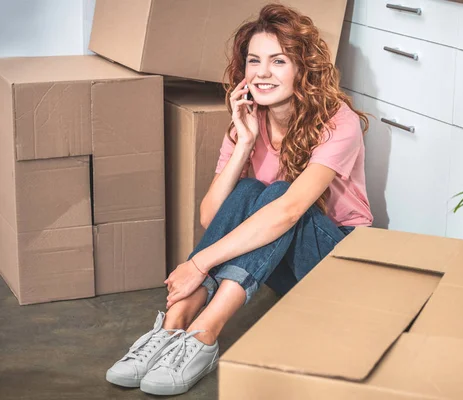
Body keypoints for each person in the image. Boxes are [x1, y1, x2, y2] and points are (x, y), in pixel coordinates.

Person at [105, 3, 372, 396]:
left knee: (278, 193)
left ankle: (204, 334)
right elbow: (211, 216)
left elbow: (288, 211)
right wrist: (245, 142)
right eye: (254, 61)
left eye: (278, 61)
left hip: (338, 260)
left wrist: (198, 263)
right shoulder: (247, 123)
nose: (263, 73)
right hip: (276, 257)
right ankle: (172, 326)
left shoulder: (338, 121)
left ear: (304, 68)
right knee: (248, 191)